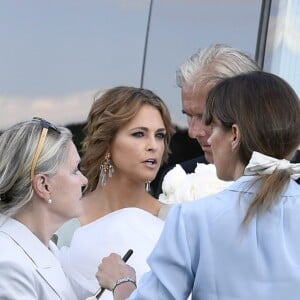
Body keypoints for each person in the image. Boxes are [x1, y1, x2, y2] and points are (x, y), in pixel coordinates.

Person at [96, 71, 300, 300]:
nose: (209, 139)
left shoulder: (193, 219)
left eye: (212, 127)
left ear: (234, 135)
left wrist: (122, 281)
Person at [56, 86, 174, 299]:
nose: (153, 146)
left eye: (160, 136)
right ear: (107, 142)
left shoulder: (175, 221)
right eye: (139, 134)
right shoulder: (63, 224)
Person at [152, 43, 261, 197]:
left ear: (247, 109)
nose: (192, 132)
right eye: (189, 116)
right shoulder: (177, 180)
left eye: (205, 117)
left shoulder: (293, 180)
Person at [0, 117, 88, 299]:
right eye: (74, 171)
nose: (84, 180)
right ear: (44, 185)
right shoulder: (8, 265)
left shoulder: (47, 248)